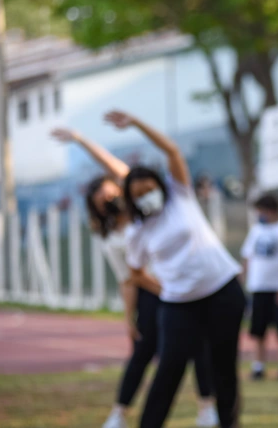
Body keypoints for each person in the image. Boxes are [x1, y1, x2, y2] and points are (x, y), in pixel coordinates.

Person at [51, 128, 219, 428]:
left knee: (197, 345)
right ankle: (119, 413)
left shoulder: (149, 210)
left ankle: (208, 407)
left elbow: (115, 167)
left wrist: (81, 140)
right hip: (157, 293)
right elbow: (130, 278)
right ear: (97, 208)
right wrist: (130, 317)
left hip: (182, 289)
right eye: (104, 200)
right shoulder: (114, 236)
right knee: (143, 351)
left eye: (113, 193)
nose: (112, 200)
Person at [106, 111, 246, 428]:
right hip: (179, 304)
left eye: (149, 188)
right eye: (138, 194)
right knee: (170, 367)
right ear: (131, 199)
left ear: (161, 185)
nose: (147, 196)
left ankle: (229, 423)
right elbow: (135, 272)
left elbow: (172, 151)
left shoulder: (180, 198)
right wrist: (165, 287)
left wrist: (137, 123)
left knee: (222, 365)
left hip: (222, 291)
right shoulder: (139, 232)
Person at [241, 194, 278, 381]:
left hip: (277, 287)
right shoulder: (257, 229)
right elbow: (247, 256)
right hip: (259, 287)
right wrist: (245, 280)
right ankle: (258, 366)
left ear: (271, 210)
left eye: (261, 210)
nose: (259, 214)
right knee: (258, 330)